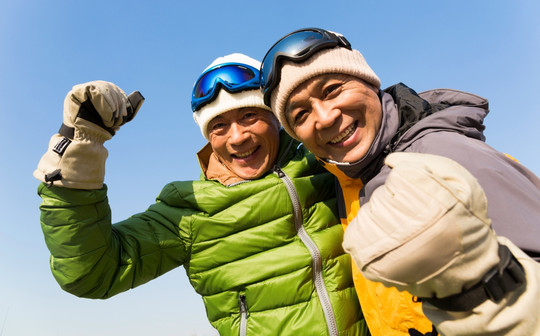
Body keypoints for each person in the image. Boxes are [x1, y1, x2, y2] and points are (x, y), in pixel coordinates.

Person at [33, 53, 369, 335]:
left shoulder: (328, 165)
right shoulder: (188, 211)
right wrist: (80, 153)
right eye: (219, 126)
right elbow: (91, 273)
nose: (237, 137)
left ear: (276, 118)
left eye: (249, 115)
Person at [260, 27, 540, 336]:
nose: (325, 117)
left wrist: (471, 299)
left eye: (333, 90)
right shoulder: (350, 177)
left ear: (369, 81)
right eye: (300, 115)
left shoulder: (442, 157)